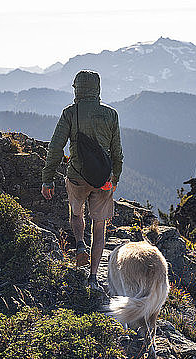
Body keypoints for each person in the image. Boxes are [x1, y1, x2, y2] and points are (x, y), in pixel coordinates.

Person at [41, 70, 123, 290]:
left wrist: (47, 179)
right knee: (99, 226)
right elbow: (117, 153)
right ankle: (93, 277)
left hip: (77, 177)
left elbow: (55, 147)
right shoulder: (111, 114)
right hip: (103, 180)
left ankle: (79, 244)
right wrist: (114, 178)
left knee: (76, 213)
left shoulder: (70, 113)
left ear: (77, 88)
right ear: (97, 88)